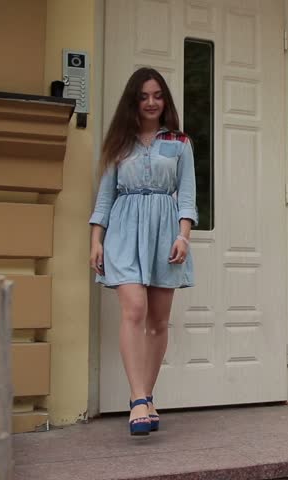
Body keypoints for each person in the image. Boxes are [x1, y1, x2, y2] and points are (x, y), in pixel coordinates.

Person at [88, 67, 197, 436]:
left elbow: (187, 195)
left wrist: (183, 237)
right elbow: (105, 197)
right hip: (123, 231)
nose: (151, 102)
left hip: (165, 233)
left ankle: (148, 396)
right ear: (133, 101)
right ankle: (137, 400)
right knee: (134, 309)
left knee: (159, 321)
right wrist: (96, 240)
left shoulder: (181, 143)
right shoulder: (120, 142)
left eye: (157, 95)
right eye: (144, 96)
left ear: (165, 100)